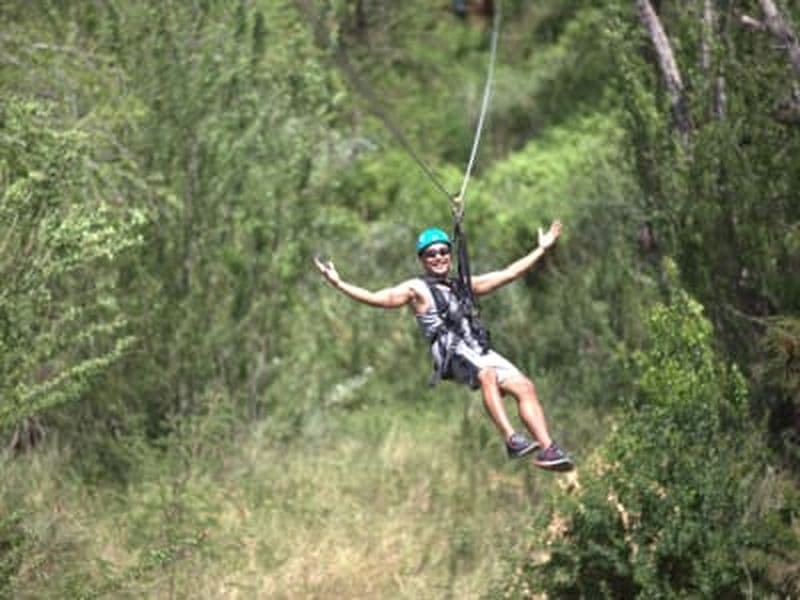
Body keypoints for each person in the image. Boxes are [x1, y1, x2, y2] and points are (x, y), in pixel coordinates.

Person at [313, 219, 572, 471]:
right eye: (431, 254)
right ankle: (511, 439)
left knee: (525, 386)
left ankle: (548, 450)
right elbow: (377, 298)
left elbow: (508, 274)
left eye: (443, 252)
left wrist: (541, 249)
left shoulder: (462, 285)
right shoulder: (417, 289)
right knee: (487, 375)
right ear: (422, 259)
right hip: (451, 352)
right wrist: (339, 284)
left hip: (477, 349)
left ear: (450, 254)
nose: (438, 257)